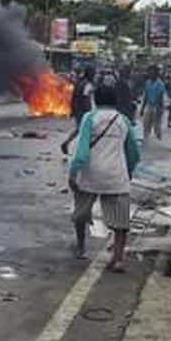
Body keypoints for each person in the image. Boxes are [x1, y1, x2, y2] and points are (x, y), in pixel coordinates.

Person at [69, 81, 140, 269]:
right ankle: (118, 259)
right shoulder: (123, 120)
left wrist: (73, 173)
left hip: (90, 175)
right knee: (120, 222)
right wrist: (129, 171)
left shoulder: (89, 118)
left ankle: (81, 248)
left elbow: (82, 152)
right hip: (116, 174)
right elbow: (134, 152)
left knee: (81, 213)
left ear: (96, 99)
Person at [140, 66, 166, 141]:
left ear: (156, 74)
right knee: (146, 123)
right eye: (149, 72)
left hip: (157, 106)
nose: (150, 74)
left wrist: (159, 109)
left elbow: (161, 97)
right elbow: (146, 96)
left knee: (157, 126)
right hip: (149, 106)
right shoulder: (147, 83)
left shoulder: (160, 84)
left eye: (152, 72)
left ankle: (159, 140)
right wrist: (142, 108)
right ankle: (146, 139)